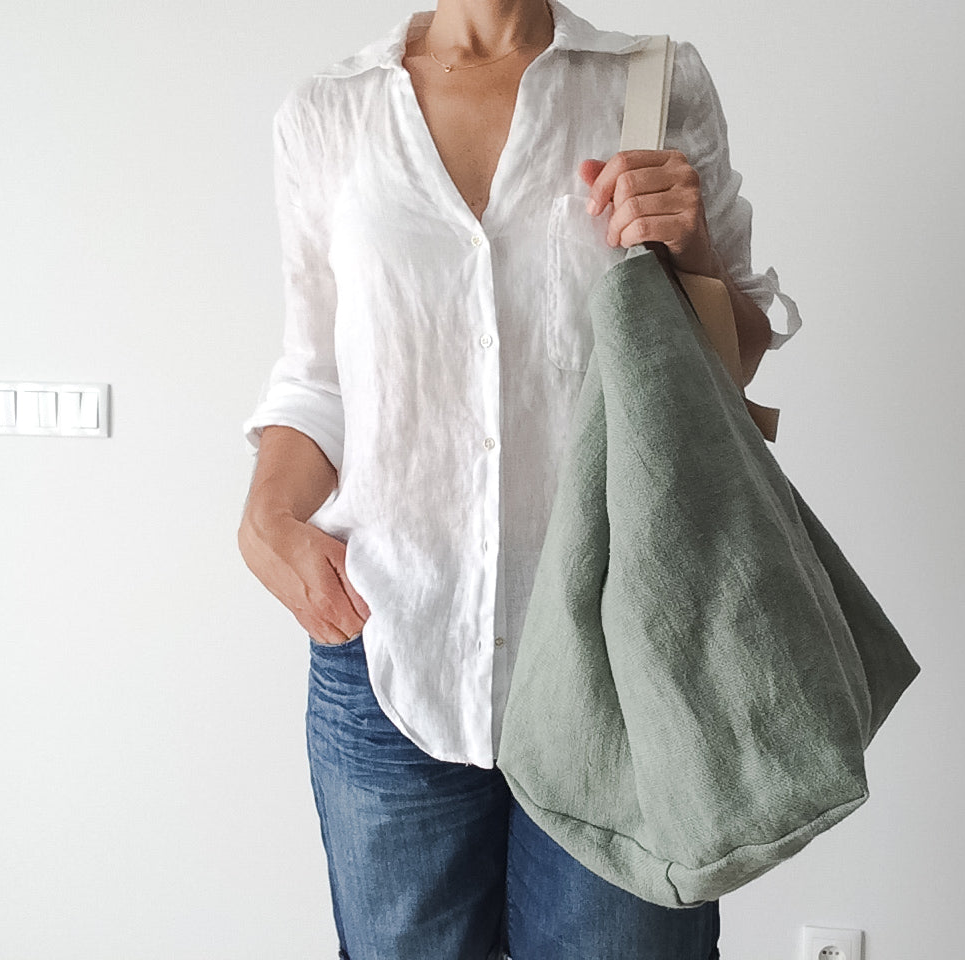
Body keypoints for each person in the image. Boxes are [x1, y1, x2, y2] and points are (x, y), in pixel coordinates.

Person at [237, 1, 802, 957]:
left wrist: (691, 247)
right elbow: (320, 375)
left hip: (625, 652)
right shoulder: (331, 111)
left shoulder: (649, 83)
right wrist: (267, 514)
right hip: (389, 645)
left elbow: (729, 360)